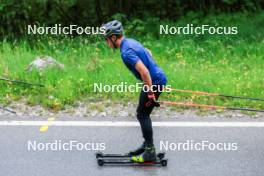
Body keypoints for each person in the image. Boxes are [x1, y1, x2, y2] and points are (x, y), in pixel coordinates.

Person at [102, 20, 167, 162]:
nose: (106, 43)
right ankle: (147, 144)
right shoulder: (130, 42)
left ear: (113, 38)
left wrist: (150, 92)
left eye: (107, 40)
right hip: (156, 78)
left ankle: (149, 151)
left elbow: (144, 72)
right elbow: (148, 52)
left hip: (153, 81)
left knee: (142, 114)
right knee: (143, 113)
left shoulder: (126, 52)